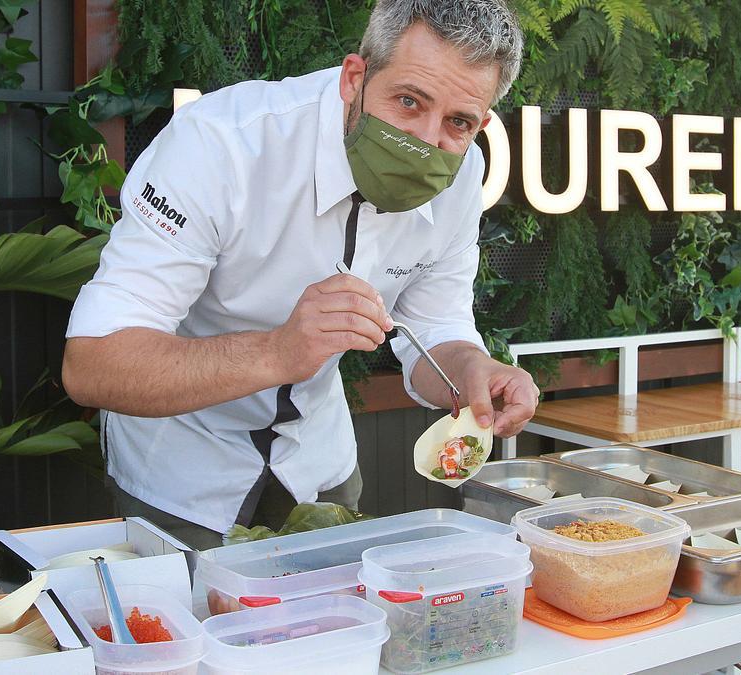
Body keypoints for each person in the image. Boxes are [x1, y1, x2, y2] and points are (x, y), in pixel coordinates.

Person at [61, 0, 536, 549]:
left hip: (320, 466)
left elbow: (435, 331)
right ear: (354, 78)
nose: (427, 142)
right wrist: (278, 351)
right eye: (409, 101)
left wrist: (473, 370)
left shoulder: (462, 175)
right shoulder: (221, 143)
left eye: (459, 122)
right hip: (179, 475)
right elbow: (94, 363)